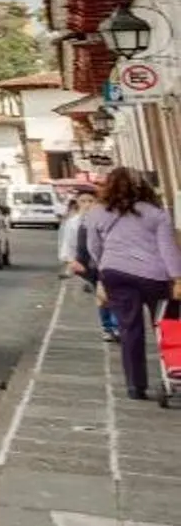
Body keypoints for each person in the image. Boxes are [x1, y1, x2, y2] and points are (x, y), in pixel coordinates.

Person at [67, 166, 181, 400]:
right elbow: (168, 250)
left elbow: (93, 247)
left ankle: (135, 386)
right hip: (154, 275)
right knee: (167, 326)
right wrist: (177, 278)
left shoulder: (97, 212)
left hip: (115, 273)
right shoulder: (155, 213)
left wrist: (103, 268)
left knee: (129, 329)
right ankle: (174, 373)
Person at [64, 192, 119, 338]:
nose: (87, 204)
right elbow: (68, 245)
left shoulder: (105, 219)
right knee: (101, 296)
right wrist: (72, 262)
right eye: (83, 201)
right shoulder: (73, 222)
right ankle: (107, 327)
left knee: (111, 293)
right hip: (87, 264)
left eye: (90, 200)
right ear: (77, 202)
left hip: (106, 261)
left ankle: (114, 325)